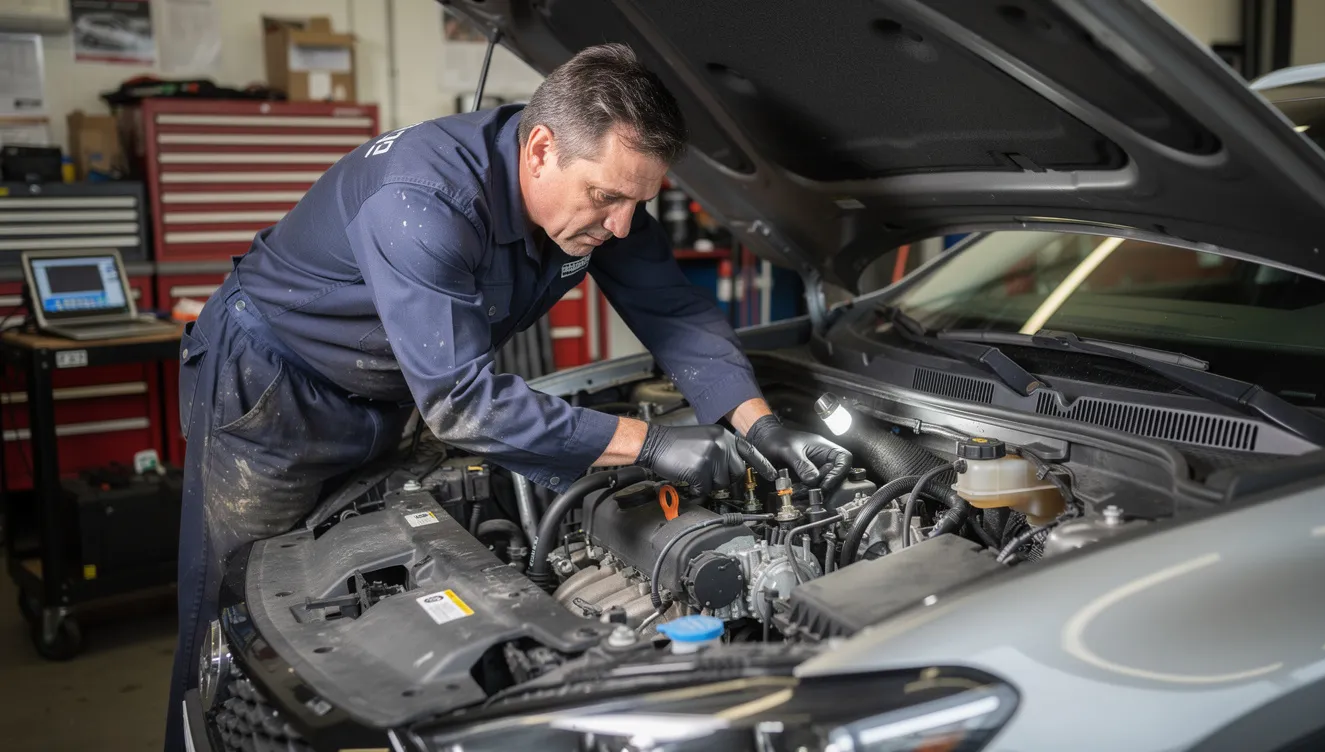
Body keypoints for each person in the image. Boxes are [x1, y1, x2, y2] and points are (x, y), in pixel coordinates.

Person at [164, 42, 851, 749]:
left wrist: (759, 424)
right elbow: (462, 401)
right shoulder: (423, 200)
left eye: (638, 202)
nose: (620, 225)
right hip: (276, 390)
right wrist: (649, 443)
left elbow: (672, 311)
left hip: (392, 388)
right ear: (541, 150)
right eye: (608, 198)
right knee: (247, 629)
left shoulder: (593, 189)